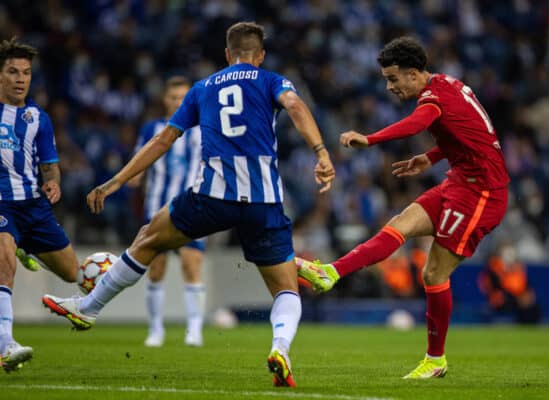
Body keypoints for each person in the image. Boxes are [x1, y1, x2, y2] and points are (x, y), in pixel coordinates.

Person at [42, 22, 335, 387]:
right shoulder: (272, 80)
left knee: (148, 238)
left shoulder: (202, 88)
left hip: (211, 196)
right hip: (264, 201)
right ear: (260, 56)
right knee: (285, 290)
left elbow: (164, 140)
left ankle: (88, 308)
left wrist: (117, 180)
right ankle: (280, 349)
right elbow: (294, 104)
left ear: (227, 54)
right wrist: (321, 153)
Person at [297, 37, 509, 379]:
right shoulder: (449, 84)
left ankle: (435, 359)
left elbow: (417, 124)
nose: (389, 86)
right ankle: (331, 273)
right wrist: (431, 156)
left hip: (482, 195)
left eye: (393, 79)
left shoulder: (433, 98)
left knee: (433, 274)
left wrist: (370, 139)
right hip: (459, 182)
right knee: (399, 224)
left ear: (413, 74)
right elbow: (475, 133)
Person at [0, 38, 81, 372]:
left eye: (27, 73)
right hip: (2, 205)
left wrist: (53, 183)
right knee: (5, 265)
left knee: (72, 272)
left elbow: (49, 164)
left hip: (34, 207)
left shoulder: (38, 118)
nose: (21, 79)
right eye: (13, 72)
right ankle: (6, 344)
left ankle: (23, 246)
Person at [129, 76, 207, 347]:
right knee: (156, 269)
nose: (177, 102)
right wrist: (133, 176)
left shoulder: (200, 129)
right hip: (156, 208)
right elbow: (141, 157)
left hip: (192, 208)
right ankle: (155, 329)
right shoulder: (152, 128)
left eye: (183, 98)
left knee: (191, 263)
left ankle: (194, 330)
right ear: (165, 99)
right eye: (173, 97)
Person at [478, 244, 541, 324]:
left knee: (533, 305)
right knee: (514, 301)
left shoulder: (518, 269)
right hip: (502, 298)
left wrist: (526, 296)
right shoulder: (495, 268)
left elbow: (525, 285)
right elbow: (497, 287)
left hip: (517, 297)